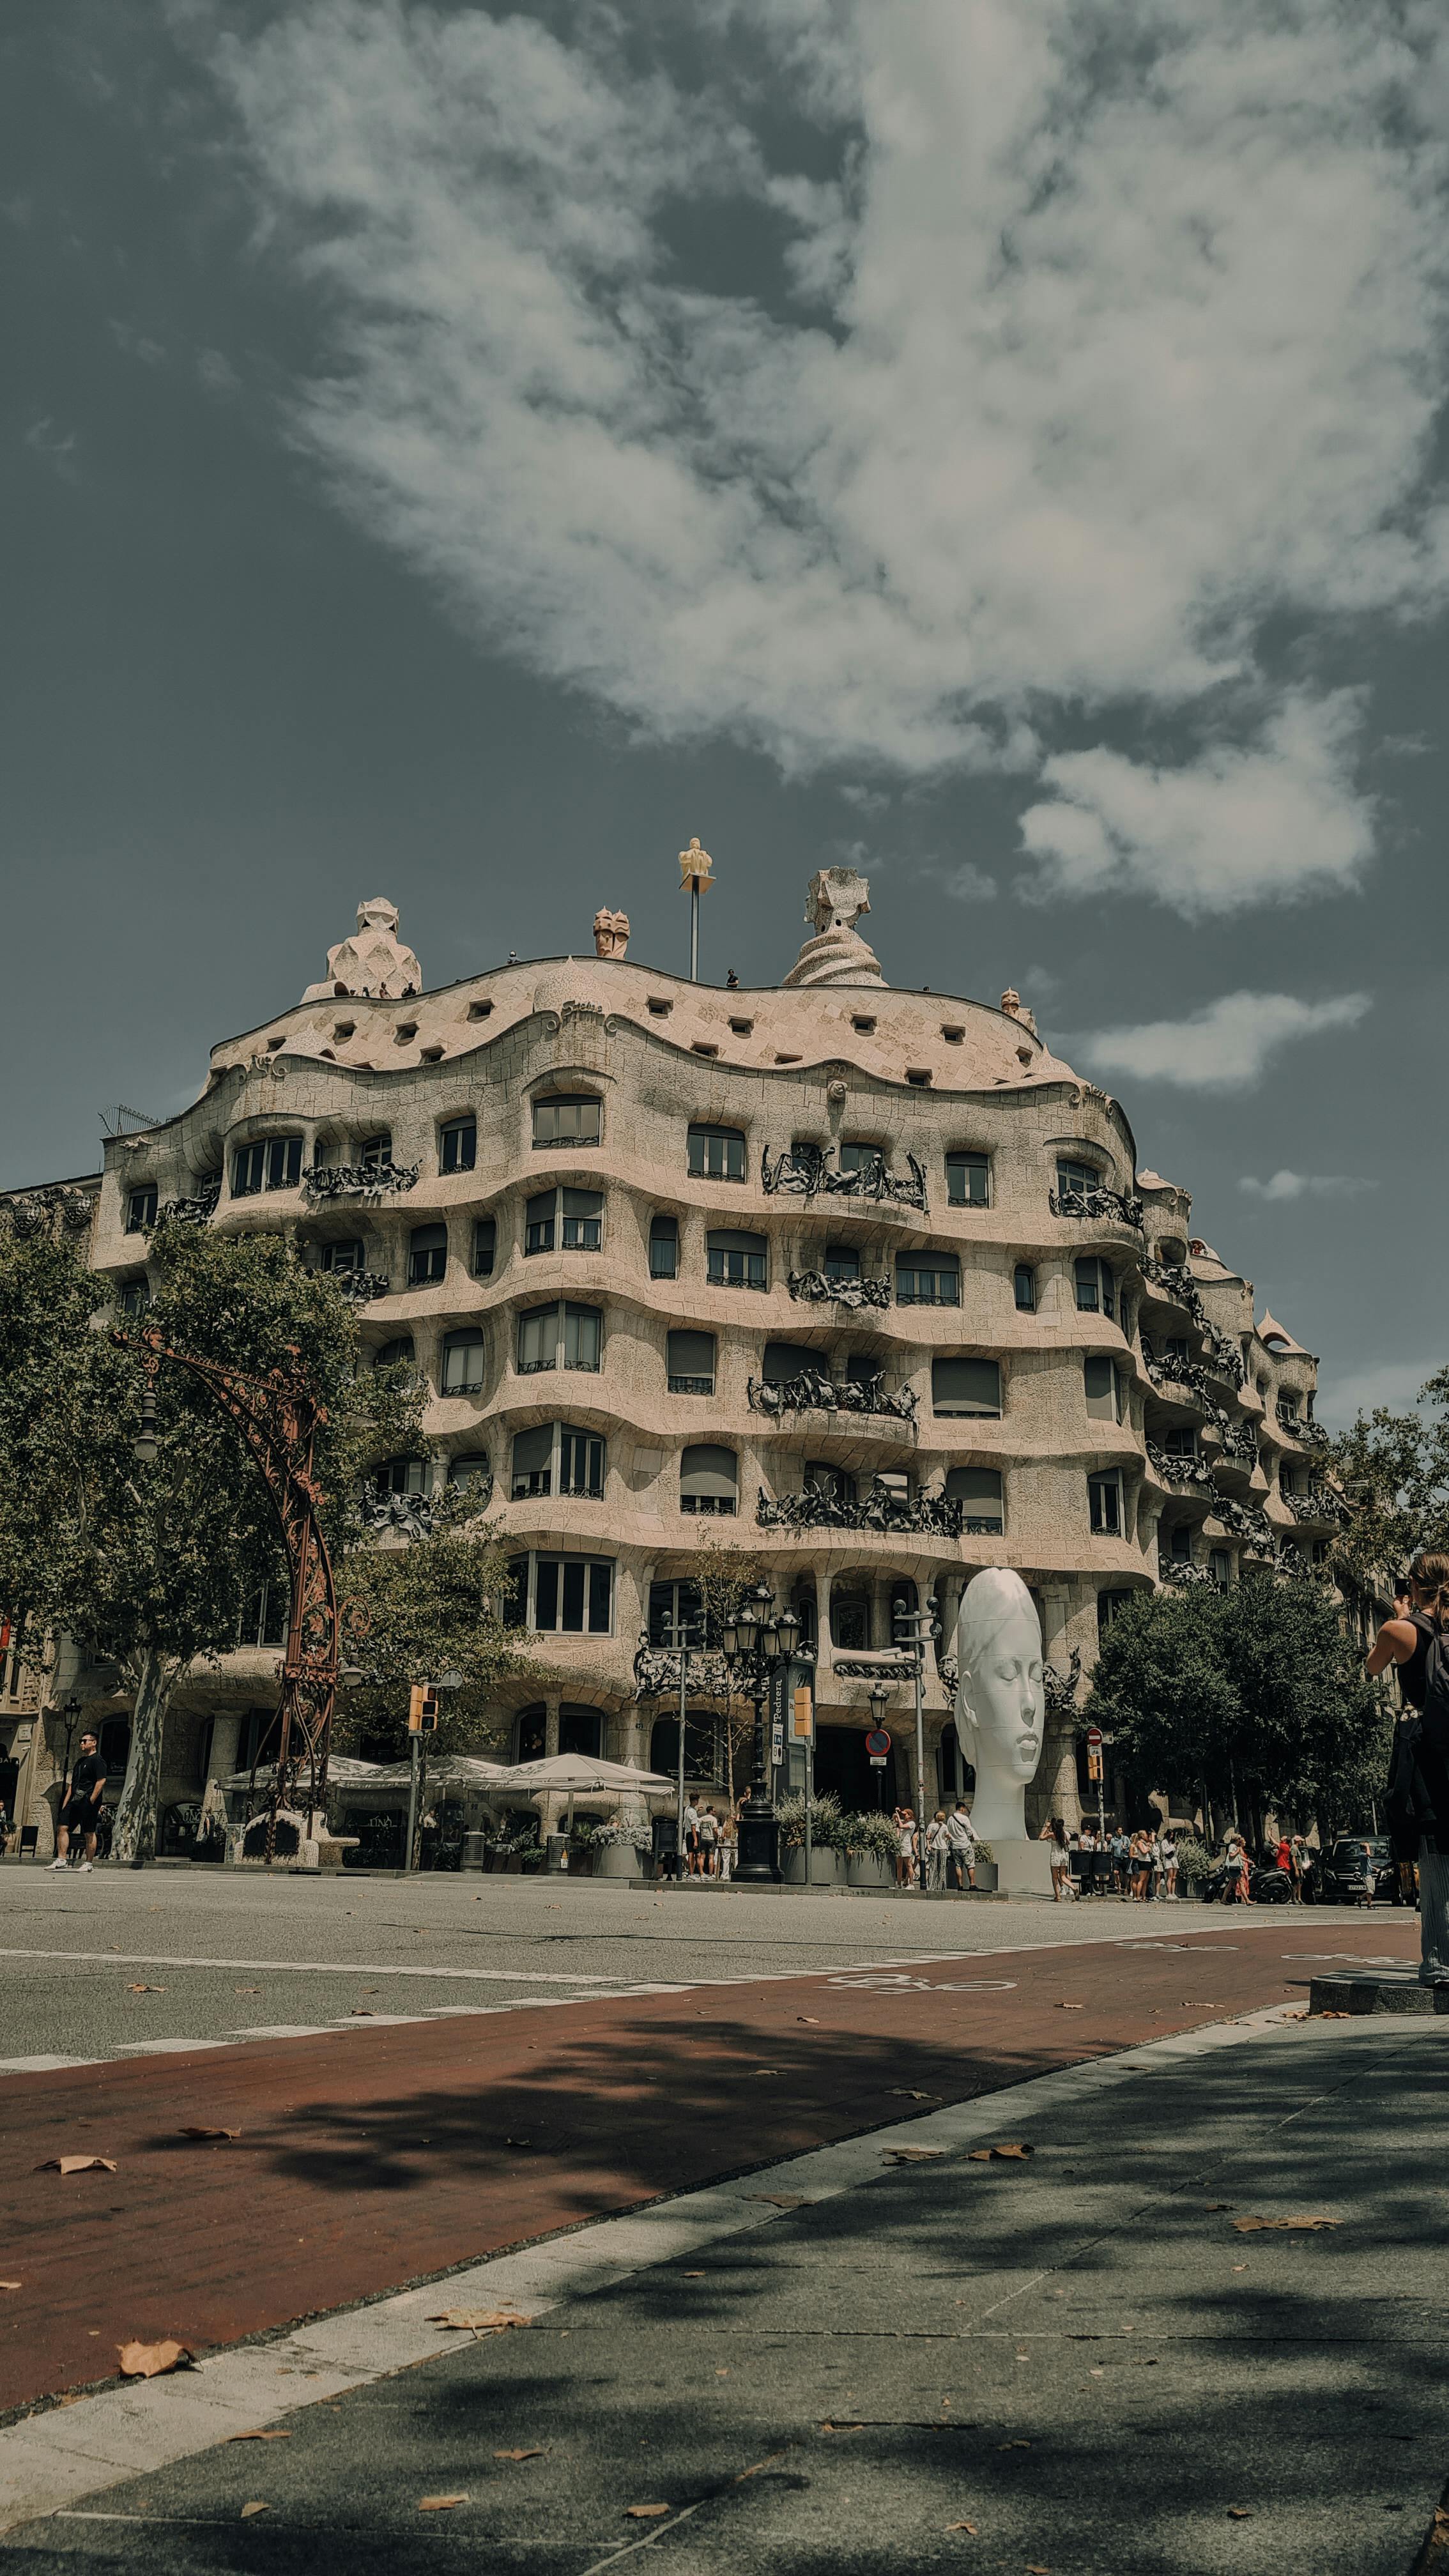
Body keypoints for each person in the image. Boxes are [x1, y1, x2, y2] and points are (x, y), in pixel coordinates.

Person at [49, 1731, 105, 1871]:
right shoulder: (80, 1762)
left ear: (94, 1743)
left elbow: (101, 1781)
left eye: (85, 1741)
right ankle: (62, 1859)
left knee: (88, 1832)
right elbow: (73, 1784)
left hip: (88, 1801)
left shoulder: (98, 1760)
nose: (82, 1743)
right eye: (81, 1741)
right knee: (62, 1826)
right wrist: (65, 1803)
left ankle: (89, 1863)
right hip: (74, 1801)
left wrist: (92, 1800)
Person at [945, 1798, 980, 1891]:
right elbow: (969, 1831)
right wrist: (972, 1838)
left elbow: (948, 1832)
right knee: (970, 1865)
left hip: (955, 1845)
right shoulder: (965, 1818)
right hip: (965, 1844)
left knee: (958, 1865)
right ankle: (972, 1884)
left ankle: (960, 1885)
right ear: (962, 1809)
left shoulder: (950, 1819)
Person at [1039, 1813, 1072, 1901]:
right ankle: (1074, 1888)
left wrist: (1046, 1827)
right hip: (1064, 1856)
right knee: (1063, 1876)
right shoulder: (1064, 1834)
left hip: (1055, 1857)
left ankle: (1058, 1897)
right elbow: (1068, 1843)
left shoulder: (1053, 1834)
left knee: (1055, 1877)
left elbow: (1041, 1838)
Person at [893, 1802, 917, 1889]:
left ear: (910, 1815)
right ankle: (899, 1884)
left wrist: (899, 1817)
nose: (904, 1816)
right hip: (900, 1845)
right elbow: (896, 1820)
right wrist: (898, 1812)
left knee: (908, 1865)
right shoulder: (904, 1821)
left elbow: (901, 1826)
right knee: (899, 1866)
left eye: (906, 1814)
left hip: (906, 1846)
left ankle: (911, 1884)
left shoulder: (912, 1823)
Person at [698, 1803, 719, 1878]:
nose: (715, 1813)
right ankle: (711, 1874)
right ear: (711, 1811)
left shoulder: (702, 1819)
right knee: (711, 1858)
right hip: (711, 1839)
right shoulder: (714, 1819)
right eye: (714, 1811)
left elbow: (697, 1824)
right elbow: (715, 1830)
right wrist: (717, 1837)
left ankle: (702, 1873)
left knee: (702, 1857)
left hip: (703, 1839)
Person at [1077, 1820, 1098, 1897]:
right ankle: (1085, 1890)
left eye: (1090, 1830)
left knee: (1091, 1874)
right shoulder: (1083, 1837)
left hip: (1091, 1855)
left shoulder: (1092, 1838)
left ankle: (1091, 1889)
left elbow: (1094, 1847)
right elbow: (1082, 1847)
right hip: (1085, 1856)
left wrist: (1096, 1842)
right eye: (1088, 1830)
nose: (1089, 1831)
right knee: (1085, 1874)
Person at [682, 1795, 701, 1878]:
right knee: (695, 1854)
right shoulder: (692, 1812)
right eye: (697, 1800)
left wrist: (697, 1810)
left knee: (691, 1853)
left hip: (688, 1832)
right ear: (695, 1801)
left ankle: (691, 1873)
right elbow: (693, 1826)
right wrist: (696, 1840)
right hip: (693, 1833)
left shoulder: (687, 1809)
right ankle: (694, 1873)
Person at [1160, 1828, 1179, 1901]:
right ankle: (1169, 1893)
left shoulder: (1172, 1842)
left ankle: (1173, 1893)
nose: (1171, 1837)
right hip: (1168, 1860)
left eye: (1172, 1835)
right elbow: (1164, 1851)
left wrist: (1176, 1847)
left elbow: (1176, 1852)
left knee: (1174, 1877)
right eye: (1170, 1835)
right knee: (1170, 1877)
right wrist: (1172, 1847)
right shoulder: (1164, 1842)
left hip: (1174, 1859)